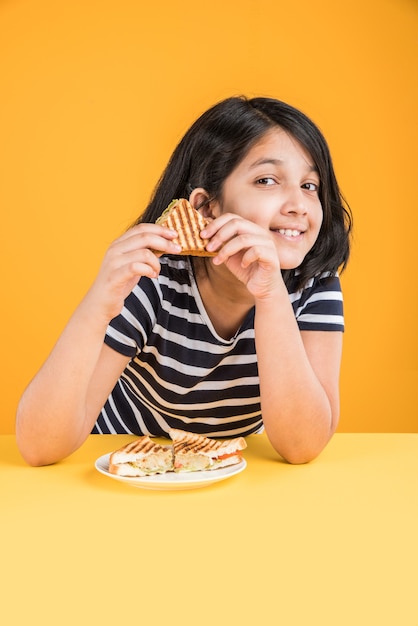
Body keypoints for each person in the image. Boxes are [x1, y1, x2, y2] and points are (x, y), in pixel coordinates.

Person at [16, 95, 352, 467]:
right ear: (207, 207)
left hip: (228, 470)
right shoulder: (153, 279)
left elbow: (302, 446)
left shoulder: (314, 282)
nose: (299, 205)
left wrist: (271, 295)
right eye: (267, 180)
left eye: (310, 185)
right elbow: (38, 447)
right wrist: (98, 303)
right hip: (126, 462)